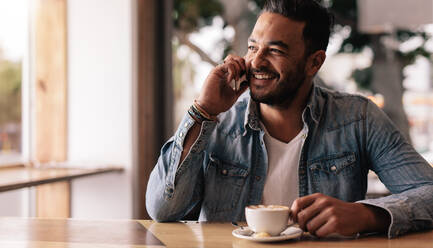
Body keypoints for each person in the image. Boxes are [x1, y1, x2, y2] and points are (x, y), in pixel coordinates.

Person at [146, 0, 433, 238]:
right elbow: (163, 209)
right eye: (253, 47)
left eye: (275, 51)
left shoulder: (358, 118)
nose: (256, 62)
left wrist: (366, 214)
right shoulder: (217, 120)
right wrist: (203, 110)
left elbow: (428, 192)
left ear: (314, 62)